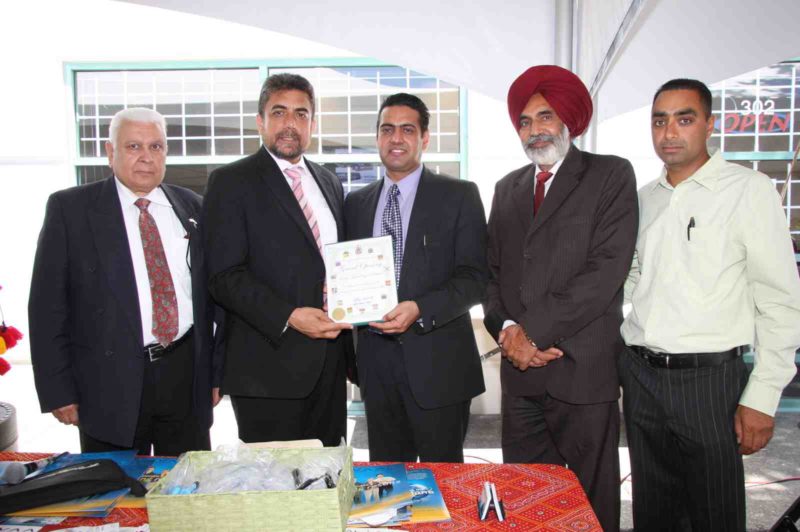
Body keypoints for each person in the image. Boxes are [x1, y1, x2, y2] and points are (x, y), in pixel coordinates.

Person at [620, 78, 800, 531]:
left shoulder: (748, 191)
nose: (669, 132)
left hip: (709, 383)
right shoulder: (643, 200)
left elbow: (780, 302)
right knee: (652, 513)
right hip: (641, 377)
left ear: (709, 124)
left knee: (714, 514)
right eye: (660, 120)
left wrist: (762, 396)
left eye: (685, 118)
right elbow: (632, 281)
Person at [483, 65, 638, 531]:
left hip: (582, 374)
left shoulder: (610, 175)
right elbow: (491, 276)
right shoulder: (507, 188)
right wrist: (509, 332)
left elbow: (605, 272)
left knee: (591, 505)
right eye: (525, 122)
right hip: (521, 377)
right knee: (525, 501)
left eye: (545, 116)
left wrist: (534, 332)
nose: (535, 130)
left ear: (568, 120)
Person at [29, 107, 220, 455]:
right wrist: (58, 390)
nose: (146, 158)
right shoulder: (70, 210)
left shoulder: (193, 207)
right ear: (110, 151)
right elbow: (46, 309)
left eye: (156, 147)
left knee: (182, 491)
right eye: (133, 147)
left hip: (184, 375)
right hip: (107, 381)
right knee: (116, 494)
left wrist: (216, 375)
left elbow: (215, 298)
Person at [203, 73, 352, 446]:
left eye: (301, 114)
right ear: (260, 121)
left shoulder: (328, 181)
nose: (290, 124)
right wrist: (289, 315)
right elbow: (224, 276)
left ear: (312, 124)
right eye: (279, 112)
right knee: (274, 491)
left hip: (329, 367)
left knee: (327, 478)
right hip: (266, 370)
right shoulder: (230, 182)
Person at [344, 92, 487, 462]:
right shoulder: (356, 204)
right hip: (376, 370)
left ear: (424, 138)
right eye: (387, 129)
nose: (396, 138)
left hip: (439, 367)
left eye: (408, 129)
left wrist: (420, 308)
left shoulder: (459, 195)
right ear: (377, 137)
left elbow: (475, 277)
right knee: (389, 483)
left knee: (444, 485)